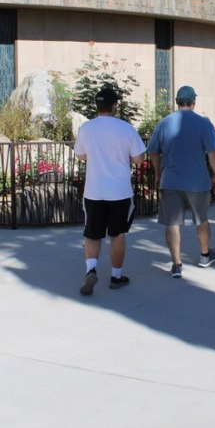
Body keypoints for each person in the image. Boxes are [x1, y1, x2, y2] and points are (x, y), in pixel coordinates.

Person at [73, 87, 147, 295]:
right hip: (120, 191)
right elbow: (139, 158)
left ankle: (91, 269)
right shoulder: (126, 128)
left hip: (94, 190)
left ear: (97, 105)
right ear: (115, 105)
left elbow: (80, 155)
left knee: (92, 234)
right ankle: (116, 276)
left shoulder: (86, 128)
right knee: (117, 235)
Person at [147, 86, 215, 278]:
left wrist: (158, 174)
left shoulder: (163, 123)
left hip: (170, 179)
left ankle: (177, 264)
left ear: (177, 101)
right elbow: (213, 153)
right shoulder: (203, 123)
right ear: (193, 102)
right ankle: (205, 255)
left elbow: (154, 152)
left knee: (172, 223)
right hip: (197, 181)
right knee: (201, 219)